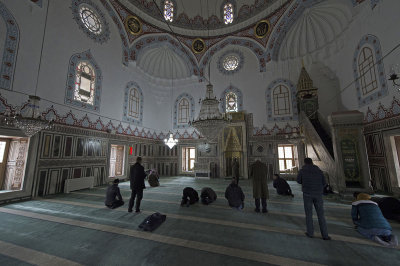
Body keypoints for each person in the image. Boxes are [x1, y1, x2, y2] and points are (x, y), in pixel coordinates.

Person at [297, 158, 331, 240]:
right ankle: (325, 235)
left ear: (304, 163)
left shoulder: (302, 171)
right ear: (312, 162)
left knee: (309, 215)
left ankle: (310, 233)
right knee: (321, 215)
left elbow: (298, 181)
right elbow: (324, 183)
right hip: (318, 194)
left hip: (307, 194)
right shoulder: (319, 171)